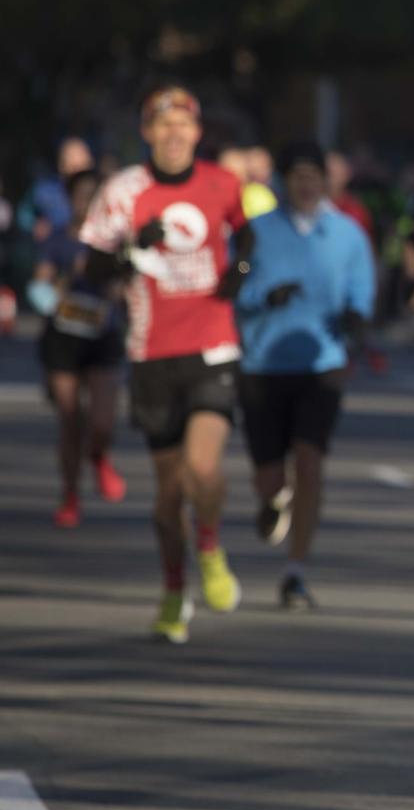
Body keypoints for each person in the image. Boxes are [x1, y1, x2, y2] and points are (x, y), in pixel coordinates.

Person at [79, 87, 255, 643]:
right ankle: (174, 589)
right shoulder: (124, 191)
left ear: (197, 133)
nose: (175, 135)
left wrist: (242, 267)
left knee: (204, 468)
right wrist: (133, 245)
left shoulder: (223, 183)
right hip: (152, 350)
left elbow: (247, 230)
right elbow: (93, 268)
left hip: (212, 344)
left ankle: (209, 547)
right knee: (167, 493)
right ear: (147, 133)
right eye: (164, 126)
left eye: (185, 125)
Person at [233, 143, 376, 609]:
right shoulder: (257, 231)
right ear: (284, 180)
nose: (307, 183)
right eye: (298, 174)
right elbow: (234, 286)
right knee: (271, 477)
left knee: (310, 461)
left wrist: (357, 317)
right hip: (263, 363)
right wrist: (263, 297)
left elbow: (363, 291)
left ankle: (295, 570)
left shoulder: (348, 233)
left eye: (315, 174)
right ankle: (272, 499)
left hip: (322, 363)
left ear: (326, 181)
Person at [31, 167, 126, 527]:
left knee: (101, 421)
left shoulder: (115, 242)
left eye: (94, 196)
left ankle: (99, 454)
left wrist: (116, 287)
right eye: (81, 195)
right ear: (69, 199)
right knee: (70, 419)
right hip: (65, 336)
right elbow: (39, 288)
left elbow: (130, 284)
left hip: (103, 336)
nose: (87, 203)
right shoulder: (58, 239)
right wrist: (63, 283)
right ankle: (70, 493)